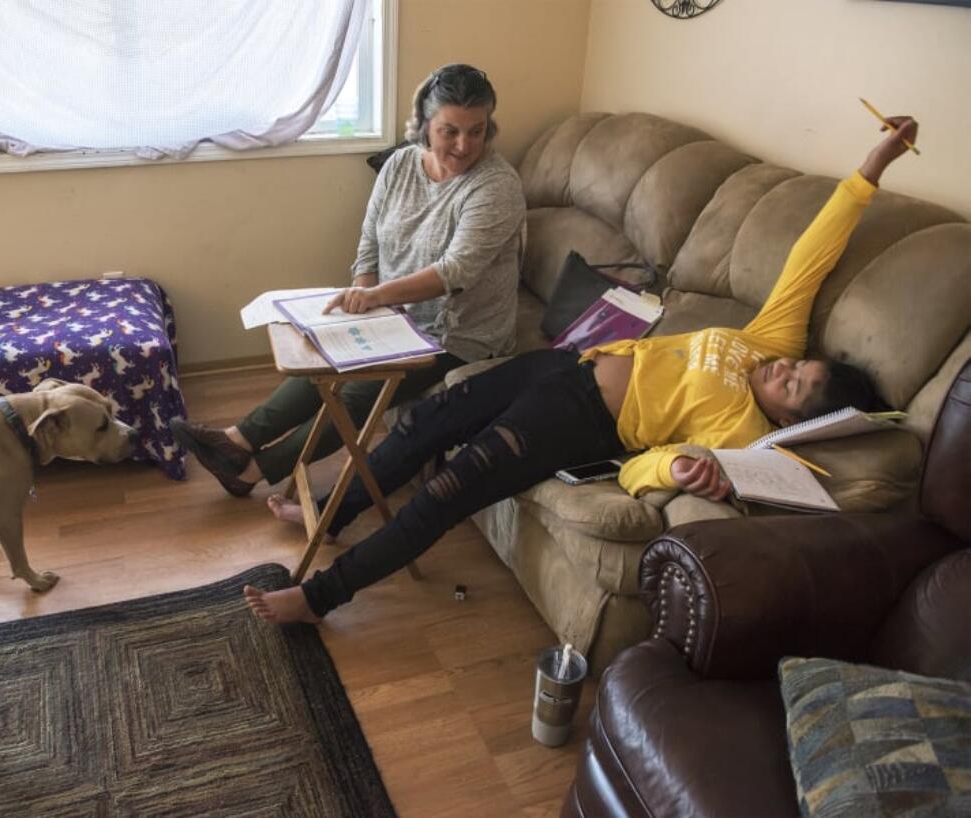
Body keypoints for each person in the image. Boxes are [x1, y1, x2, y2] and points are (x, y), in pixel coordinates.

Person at [243, 115, 918, 625]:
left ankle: (319, 597)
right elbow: (811, 257)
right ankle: (338, 515)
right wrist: (871, 168)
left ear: (794, 420)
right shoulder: (766, 340)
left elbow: (639, 470)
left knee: (448, 491)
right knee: (422, 423)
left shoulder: (741, 432)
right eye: (798, 365)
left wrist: (678, 470)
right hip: (564, 366)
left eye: (793, 387)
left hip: (582, 422)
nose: (783, 371)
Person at [171, 64, 526, 497]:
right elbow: (371, 238)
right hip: (394, 313)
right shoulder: (400, 165)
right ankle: (237, 440)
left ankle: (250, 472)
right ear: (425, 126)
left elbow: (456, 271)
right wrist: (365, 294)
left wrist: (375, 296)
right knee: (324, 360)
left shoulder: (496, 187)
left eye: (477, 131)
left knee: (358, 392)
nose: (463, 144)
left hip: (456, 335)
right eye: (449, 131)